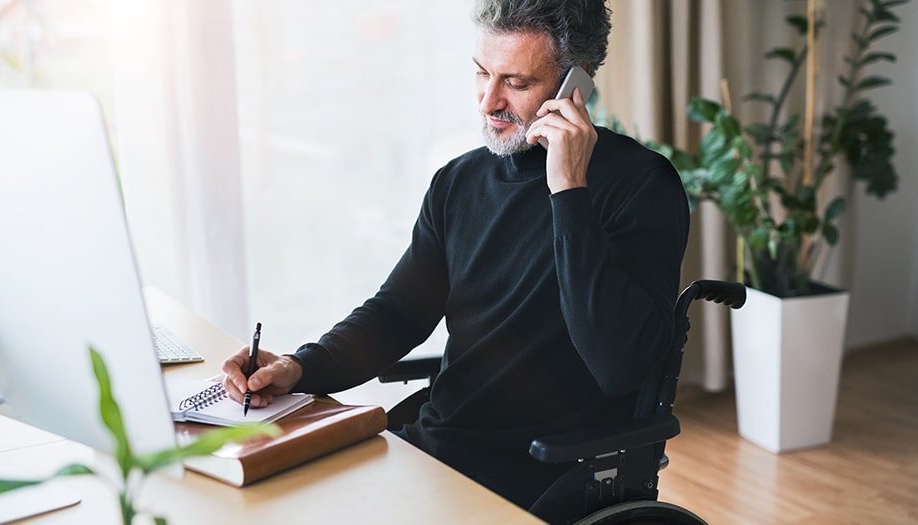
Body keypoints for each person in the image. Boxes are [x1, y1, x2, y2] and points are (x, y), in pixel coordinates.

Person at [222, 0, 689, 514]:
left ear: (572, 86)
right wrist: (298, 368)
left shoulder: (641, 186)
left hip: (543, 472)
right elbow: (397, 313)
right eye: (481, 73)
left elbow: (618, 367)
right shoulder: (458, 182)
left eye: (516, 82)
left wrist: (568, 192)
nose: (489, 101)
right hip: (438, 447)